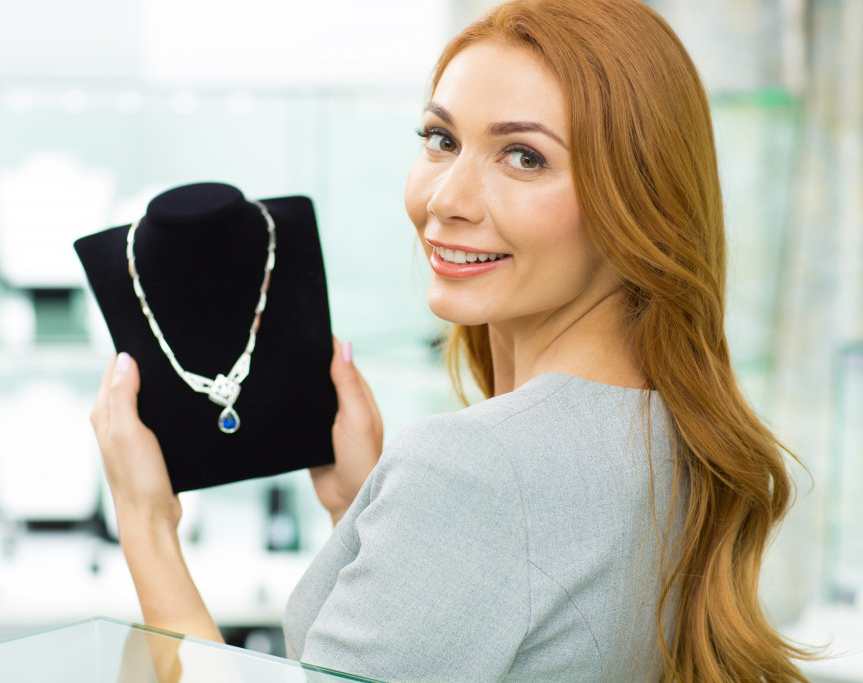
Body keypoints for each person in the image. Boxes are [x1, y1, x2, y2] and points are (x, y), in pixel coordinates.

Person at [91, 0, 811, 680]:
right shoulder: (673, 432)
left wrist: (148, 526)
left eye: (524, 157)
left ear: (638, 201)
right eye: (441, 139)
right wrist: (364, 511)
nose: (444, 200)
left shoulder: (475, 470)